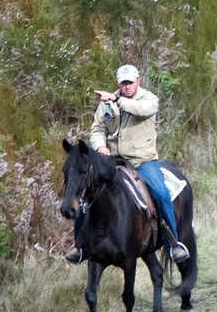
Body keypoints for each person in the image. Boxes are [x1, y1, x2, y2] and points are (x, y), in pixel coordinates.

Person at [66, 64, 190, 264]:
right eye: (123, 83)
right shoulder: (106, 105)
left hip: (143, 161)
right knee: (87, 190)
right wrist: (100, 146)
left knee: (160, 193)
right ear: (118, 83)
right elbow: (97, 130)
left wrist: (117, 100)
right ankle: (80, 246)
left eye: (130, 82)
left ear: (138, 81)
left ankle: (173, 243)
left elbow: (142, 110)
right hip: (113, 161)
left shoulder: (148, 99)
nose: (127, 86)